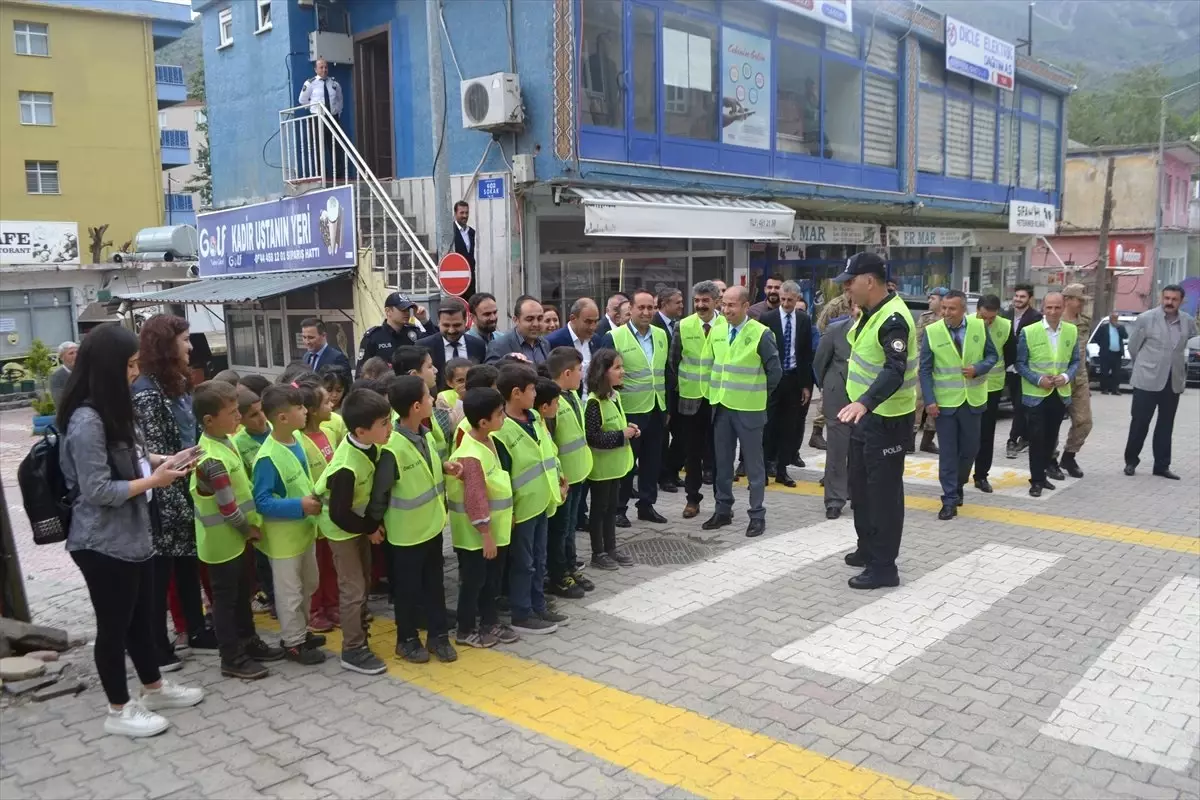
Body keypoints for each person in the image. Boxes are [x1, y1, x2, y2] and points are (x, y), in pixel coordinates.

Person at [57, 323, 205, 738]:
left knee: (142, 618)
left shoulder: (114, 407)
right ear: (107, 367)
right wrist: (154, 482)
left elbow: (136, 455)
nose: (134, 372)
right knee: (115, 626)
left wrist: (167, 460)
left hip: (134, 535)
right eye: (128, 365)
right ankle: (118, 709)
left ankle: (153, 688)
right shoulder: (86, 419)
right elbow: (98, 489)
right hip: (101, 542)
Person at [132, 315, 215, 668]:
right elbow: (148, 451)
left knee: (186, 565)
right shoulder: (147, 392)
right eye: (184, 340)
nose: (190, 346)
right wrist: (174, 470)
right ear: (166, 345)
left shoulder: (175, 384)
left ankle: (197, 629)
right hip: (164, 492)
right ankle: (155, 645)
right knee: (161, 573)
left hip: (185, 484)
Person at [190, 381, 284, 680]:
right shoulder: (212, 460)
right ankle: (231, 656)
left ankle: (249, 641)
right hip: (224, 542)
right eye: (231, 413)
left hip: (236, 540)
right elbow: (228, 508)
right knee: (226, 601)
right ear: (208, 420)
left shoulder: (225, 442)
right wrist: (248, 530)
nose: (238, 418)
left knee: (242, 594)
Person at [835, 252, 917, 590]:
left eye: (850, 281)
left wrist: (865, 402)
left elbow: (894, 369)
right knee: (862, 489)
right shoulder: (871, 313)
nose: (847, 289)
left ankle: (884, 567)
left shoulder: (893, 319)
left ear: (869, 280)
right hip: (865, 419)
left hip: (887, 420)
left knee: (883, 495)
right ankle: (867, 548)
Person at [372, 376, 460, 663]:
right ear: (415, 405)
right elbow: (379, 495)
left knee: (435, 585)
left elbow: (425, 470)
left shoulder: (423, 434)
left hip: (432, 527)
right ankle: (406, 639)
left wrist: (444, 466)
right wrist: (373, 526)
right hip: (405, 534)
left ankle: (438, 636)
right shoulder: (391, 449)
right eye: (428, 396)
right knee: (408, 590)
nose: (433, 400)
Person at [311, 388, 392, 675]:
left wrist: (369, 526)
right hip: (342, 529)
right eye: (384, 424)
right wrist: (369, 529)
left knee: (362, 583)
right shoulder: (346, 466)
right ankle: (353, 648)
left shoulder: (370, 446)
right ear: (361, 430)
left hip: (357, 525)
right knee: (353, 589)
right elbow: (338, 513)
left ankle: (359, 628)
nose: (389, 428)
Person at [251, 385, 326, 663]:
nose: (306, 411)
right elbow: (262, 501)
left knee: (309, 583)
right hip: (283, 541)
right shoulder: (268, 457)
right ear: (282, 417)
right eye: (300, 408)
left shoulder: (297, 441)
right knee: (289, 593)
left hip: (303, 532)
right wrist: (299, 506)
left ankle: (301, 631)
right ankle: (293, 642)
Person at [491, 364, 567, 634]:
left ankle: (538, 606)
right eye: (532, 389)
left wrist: (558, 475)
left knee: (539, 557)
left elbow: (549, 450)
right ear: (515, 393)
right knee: (523, 562)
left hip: (543, 501)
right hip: (521, 508)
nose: (536, 394)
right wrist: (508, 511)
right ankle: (522, 613)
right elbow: (501, 475)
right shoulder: (501, 430)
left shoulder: (535, 417)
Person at [704, 285, 781, 539]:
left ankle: (757, 514)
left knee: (754, 466)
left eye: (731, 305)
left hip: (749, 408)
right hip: (722, 407)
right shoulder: (716, 330)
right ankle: (722, 510)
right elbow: (711, 364)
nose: (725, 309)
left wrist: (757, 393)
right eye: (723, 304)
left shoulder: (761, 333)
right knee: (723, 463)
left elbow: (775, 372)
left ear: (746, 306)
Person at [446, 388, 520, 648]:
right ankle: (465, 629)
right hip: (476, 536)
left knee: (492, 581)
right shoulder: (471, 455)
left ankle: (490, 622)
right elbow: (475, 499)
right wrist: (486, 534)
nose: (504, 418)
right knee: (474, 582)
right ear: (483, 422)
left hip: (493, 531)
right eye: (500, 414)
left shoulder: (489, 441)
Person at [918, 290, 998, 520]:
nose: (946, 313)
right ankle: (949, 498)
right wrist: (929, 401)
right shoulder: (932, 332)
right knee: (948, 453)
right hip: (945, 404)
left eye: (951, 309)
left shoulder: (979, 327)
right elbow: (925, 369)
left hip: (972, 401)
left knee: (970, 450)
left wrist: (979, 368)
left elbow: (993, 357)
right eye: (944, 308)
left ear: (963, 309)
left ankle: (959, 483)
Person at [1123, 284, 1196, 479]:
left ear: (1181, 301)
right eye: (1167, 298)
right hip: (1147, 379)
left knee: (1166, 425)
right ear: (1161, 298)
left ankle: (1162, 466)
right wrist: (1146, 366)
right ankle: (1131, 462)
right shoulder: (1146, 319)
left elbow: (1184, 346)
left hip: (1172, 381)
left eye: (1174, 299)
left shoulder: (1188, 321)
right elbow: (1133, 347)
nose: (1169, 302)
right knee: (1140, 423)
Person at [612, 289, 670, 526]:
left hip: (656, 409)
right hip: (630, 410)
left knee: (652, 461)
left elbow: (666, 371)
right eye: (641, 308)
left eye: (650, 308)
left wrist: (667, 409)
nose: (646, 312)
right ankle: (619, 508)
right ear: (631, 310)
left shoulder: (661, 335)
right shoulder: (614, 337)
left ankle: (646, 505)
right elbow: (607, 377)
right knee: (628, 463)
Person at [1015, 292, 1078, 497]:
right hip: (1036, 395)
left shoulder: (1071, 331)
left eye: (1057, 307)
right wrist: (1037, 379)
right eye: (1049, 307)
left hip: (1059, 394)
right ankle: (1036, 480)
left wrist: (1066, 376)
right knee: (1037, 438)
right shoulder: (1029, 331)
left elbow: (1075, 361)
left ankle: (1042, 475)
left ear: (1063, 307)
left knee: (1051, 439)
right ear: (1043, 308)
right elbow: (1020, 364)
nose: (1053, 311)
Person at [667, 281, 720, 519]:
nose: (700, 305)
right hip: (690, 401)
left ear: (716, 301)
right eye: (696, 301)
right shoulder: (683, 326)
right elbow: (673, 361)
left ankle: (722, 501)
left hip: (719, 400)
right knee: (692, 453)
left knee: (720, 453)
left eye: (705, 300)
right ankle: (692, 499)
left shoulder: (725, 325)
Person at [544, 348, 593, 599]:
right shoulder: (553, 401)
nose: (582, 374)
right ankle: (558, 574)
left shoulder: (572, 395)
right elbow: (550, 444)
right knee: (560, 529)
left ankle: (571, 566)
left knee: (571, 526)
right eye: (579, 369)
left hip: (579, 472)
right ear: (566, 373)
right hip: (563, 478)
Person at [294, 378, 339, 633]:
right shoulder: (299, 440)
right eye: (325, 402)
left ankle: (333, 605)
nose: (331, 403)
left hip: (330, 513)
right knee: (315, 566)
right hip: (313, 513)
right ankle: (314, 610)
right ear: (311, 410)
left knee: (330, 563)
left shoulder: (328, 432)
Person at [585, 349, 637, 570]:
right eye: (617, 367)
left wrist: (630, 429)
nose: (622, 371)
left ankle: (611, 548)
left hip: (615, 467)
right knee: (599, 510)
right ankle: (598, 552)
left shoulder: (614, 397)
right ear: (602, 372)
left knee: (611, 509)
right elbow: (593, 436)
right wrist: (620, 435)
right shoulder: (594, 402)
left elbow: (615, 423)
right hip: (601, 469)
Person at [761, 280, 813, 487]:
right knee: (767, 426)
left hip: (793, 379)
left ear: (797, 299)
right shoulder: (767, 318)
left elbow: (806, 353)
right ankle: (763, 470)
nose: (785, 303)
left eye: (790, 300)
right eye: (783, 299)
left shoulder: (803, 319)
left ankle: (782, 470)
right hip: (773, 380)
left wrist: (806, 385)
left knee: (788, 427)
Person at [813, 300, 857, 519]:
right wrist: (828, 386)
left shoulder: (878, 332)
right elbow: (819, 362)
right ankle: (834, 500)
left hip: (866, 401)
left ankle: (857, 494)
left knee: (861, 451)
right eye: (856, 307)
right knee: (837, 451)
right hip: (838, 397)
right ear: (851, 310)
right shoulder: (835, 330)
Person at [970, 295, 1010, 494]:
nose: (987, 322)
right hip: (966, 388)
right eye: (983, 317)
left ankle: (982, 475)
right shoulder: (965, 323)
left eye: (991, 319)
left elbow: (1010, 354)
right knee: (966, 434)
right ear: (976, 310)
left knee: (986, 435)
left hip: (992, 388)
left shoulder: (1006, 326)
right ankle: (960, 473)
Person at [810, 284, 855, 451]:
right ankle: (817, 432)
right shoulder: (836, 305)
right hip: (833, 355)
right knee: (826, 402)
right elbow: (822, 327)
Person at [1056, 283, 1093, 479]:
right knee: (1051, 423)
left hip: (1080, 378)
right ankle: (1049, 460)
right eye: (1080, 301)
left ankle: (1069, 456)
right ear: (1068, 300)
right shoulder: (1055, 321)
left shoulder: (1085, 321)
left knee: (1084, 421)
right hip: (1059, 378)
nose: (1082, 305)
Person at [1002, 283, 1043, 458]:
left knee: (1020, 405)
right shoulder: (1006, 315)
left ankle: (1013, 439)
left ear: (1030, 299)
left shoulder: (1036, 317)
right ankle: (1025, 437)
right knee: (1018, 404)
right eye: (1016, 296)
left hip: (1025, 368)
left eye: (1022, 297)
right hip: (1009, 367)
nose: (1018, 299)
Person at [652, 288, 685, 492]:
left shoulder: (680, 326)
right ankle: (663, 477)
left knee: (682, 436)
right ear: (664, 304)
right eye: (678, 302)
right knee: (662, 438)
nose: (682, 305)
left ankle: (673, 472)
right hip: (662, 392)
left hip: (680, 391)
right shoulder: (655, 326)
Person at [356, 293, 435, 375]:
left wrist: (424, 321)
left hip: (411, 384)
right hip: (385, 385)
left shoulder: (413, 333)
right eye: (402, 309)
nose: (407, 313)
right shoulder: (374, 337)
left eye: (408, 309)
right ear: (388, 311)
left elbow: (435, 343)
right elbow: (362, 372)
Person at [417, 302, 486, 388]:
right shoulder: (423, 346)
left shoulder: (478, 345)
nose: (451, 330)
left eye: (456, 325)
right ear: (438, 322)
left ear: (465, 322)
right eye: (446, 325)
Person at [911, 287, 946, 455]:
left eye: (933, 298)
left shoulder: (951, 318)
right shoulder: (925, 318)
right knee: (917, 402)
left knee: (935, 402)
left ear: (942, 300)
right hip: (924, 364)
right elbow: (917, 341)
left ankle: (927, 441)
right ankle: (909, 441)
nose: (929, 301)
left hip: (943, 367)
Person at [297, 58, 344, 182]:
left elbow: (339, 99)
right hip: (318, 119)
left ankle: (338, 174)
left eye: (326, 67)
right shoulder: (310, 83)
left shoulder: (334, 83)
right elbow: (302, 100)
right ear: (316, 69)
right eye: (321, 67)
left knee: (335, 146)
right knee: (318, 146)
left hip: (332, 118)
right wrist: (313, 109)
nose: (324, 70)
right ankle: (321, 173)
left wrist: (337, 112)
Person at [486, 295, 551, 364]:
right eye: (529, 319)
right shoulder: (498, 345)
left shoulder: (545, 343)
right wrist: (506, 361)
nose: (536, 324)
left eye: (540, 318)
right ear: (516, 320)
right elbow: (490, 372)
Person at [1090, 310, 1128, 394]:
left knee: (1116, 373)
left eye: (1116, 318)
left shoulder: (1121, 327)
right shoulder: (1104, 327)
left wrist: (1118, 328)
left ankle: (1115, 390)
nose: (1115, 319)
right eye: (1113, 318)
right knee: (1104, 372)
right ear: (1110, 318)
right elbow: (1096, 338)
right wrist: (1103, 345)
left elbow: (1125, 336)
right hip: (1106, 354)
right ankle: (1104, 389)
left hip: (1117, 354)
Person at [451, 201, 477, 298]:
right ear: (455, 213)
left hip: (470, 278)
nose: (465, 216)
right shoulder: (450, 231)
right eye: (461, 213)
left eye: (466, 213)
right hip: (456, 279)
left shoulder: (471, 232)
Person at [49, 340, 77, 406]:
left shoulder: (86, 371)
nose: (76, 355)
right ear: (62, 357)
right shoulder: (56, 376)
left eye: (77, 352)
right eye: (71, 353)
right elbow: (60, 402)